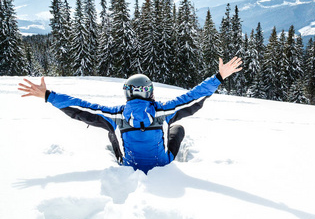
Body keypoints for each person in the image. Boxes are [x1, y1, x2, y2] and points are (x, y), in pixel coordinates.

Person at [18, 57, 242, 173]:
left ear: (126, 93)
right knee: (179, 128)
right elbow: (193, 98)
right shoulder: (163, 111)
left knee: (110, 131)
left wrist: (48, 95)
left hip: (128, 165)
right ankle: (174, 160)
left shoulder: (116, 115)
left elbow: (81, 109)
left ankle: (123, 155)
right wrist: (219, 77)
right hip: (162, 165)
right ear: (150, 91)